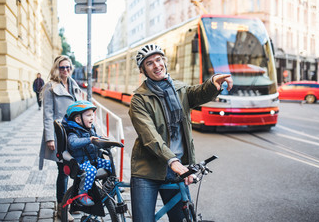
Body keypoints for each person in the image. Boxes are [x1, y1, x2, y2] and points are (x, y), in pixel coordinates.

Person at [128, 44, 233, 222]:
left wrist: (213, 83)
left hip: (176, 170)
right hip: (147, 172)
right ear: (143, 70)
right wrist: (172, 161)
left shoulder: (179, 89)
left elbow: (198, 93)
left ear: (165, 61)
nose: (157, 65)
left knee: (182, 219)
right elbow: (150, 136)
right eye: (149, 63)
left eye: (159, 60)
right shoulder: (139, 99)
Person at [38, 55, 83, 221]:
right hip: (60, 135)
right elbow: (47, 115)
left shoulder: (74, 85)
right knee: (64, 172)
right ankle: (61, 209)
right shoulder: (50, 87)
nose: (65, 70)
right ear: (57, 68)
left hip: (75, 134)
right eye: (62, 67)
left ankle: (75, 203)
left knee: (78, 168)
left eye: (68, 67)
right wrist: (49, 138)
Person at [61, 100, 112, 206]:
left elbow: (94, 138)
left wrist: (101, 139)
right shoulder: (73, 132)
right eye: (88, 115)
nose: (92, 118)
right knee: (91, 171)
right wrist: (89, 140)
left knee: (109, 164)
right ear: (78, 119)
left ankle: (110, 185)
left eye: (92, 115)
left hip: (93, 160)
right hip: (82, 162)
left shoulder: (89, 129)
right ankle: (82, 194)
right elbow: (73, 143)